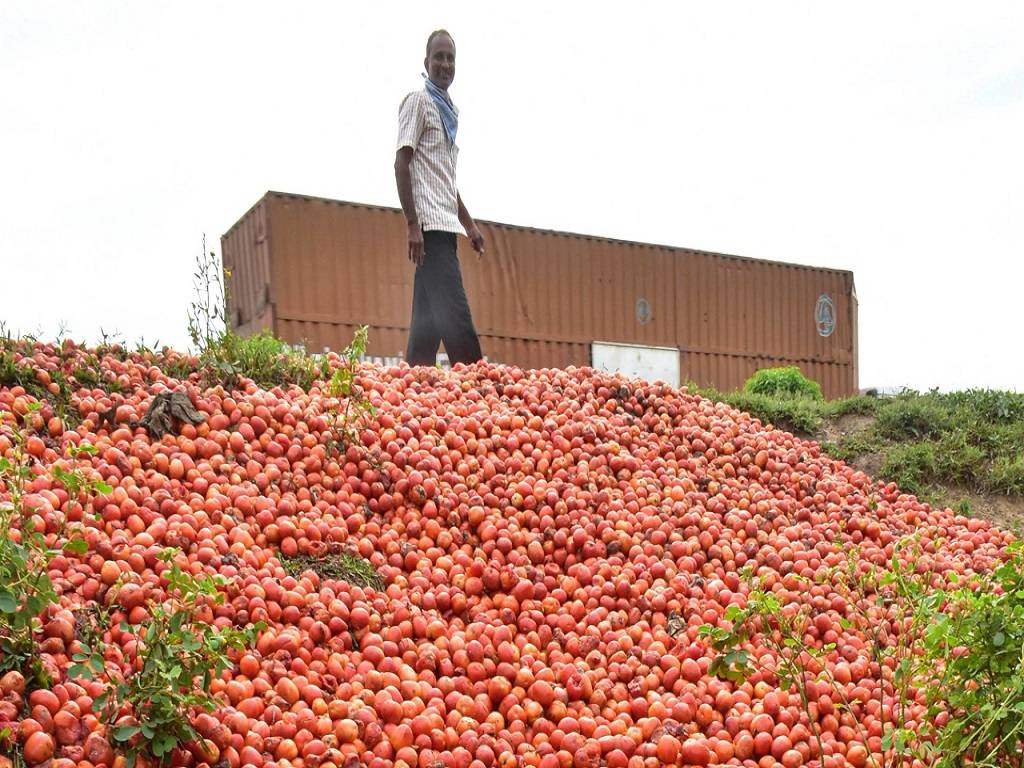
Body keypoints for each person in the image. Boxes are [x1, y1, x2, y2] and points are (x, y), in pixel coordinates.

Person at [394, 29, 485, 367]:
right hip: (429, 230)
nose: (445, 64)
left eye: (451, 58)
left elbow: (446, 181)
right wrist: (412, 224)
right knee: (459, 328)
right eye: (439, 57)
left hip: (446, 229)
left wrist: (470, 226)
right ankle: (485, 398)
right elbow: (401, 163)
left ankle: (413, 391)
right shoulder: (417, 102)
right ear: (426, 62)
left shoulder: (449, 115)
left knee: (424, 337)